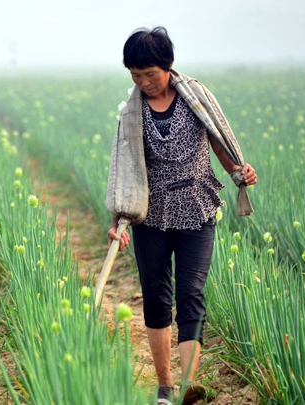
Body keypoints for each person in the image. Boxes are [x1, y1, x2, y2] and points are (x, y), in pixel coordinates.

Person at [105, 27, 257, 405]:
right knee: (157, 298)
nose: (143, 82)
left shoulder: (195, 97)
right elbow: (124, 168)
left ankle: (189, 385)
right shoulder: (131, 111)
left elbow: (220, 142)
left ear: (168, 67)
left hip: (197, 209)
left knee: (191, 295)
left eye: (149, 74)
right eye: (135, 75)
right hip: (150, 216)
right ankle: (164, 386)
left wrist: (239, 171)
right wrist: (118, 220)